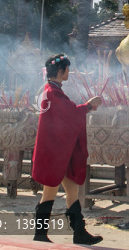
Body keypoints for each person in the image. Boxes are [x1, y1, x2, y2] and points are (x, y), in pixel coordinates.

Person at [31, 53, 103, 245]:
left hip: (59, 152)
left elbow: (68, 113)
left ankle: (79, 232)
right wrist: (88, 106)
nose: (69, 72)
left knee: (72, 191)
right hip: (55, 153)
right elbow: (70, 114)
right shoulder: (52, 93)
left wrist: (85, 108)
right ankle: (40, 233)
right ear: (60, 71)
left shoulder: (52, 90)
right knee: (50, 193)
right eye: (67, 69)